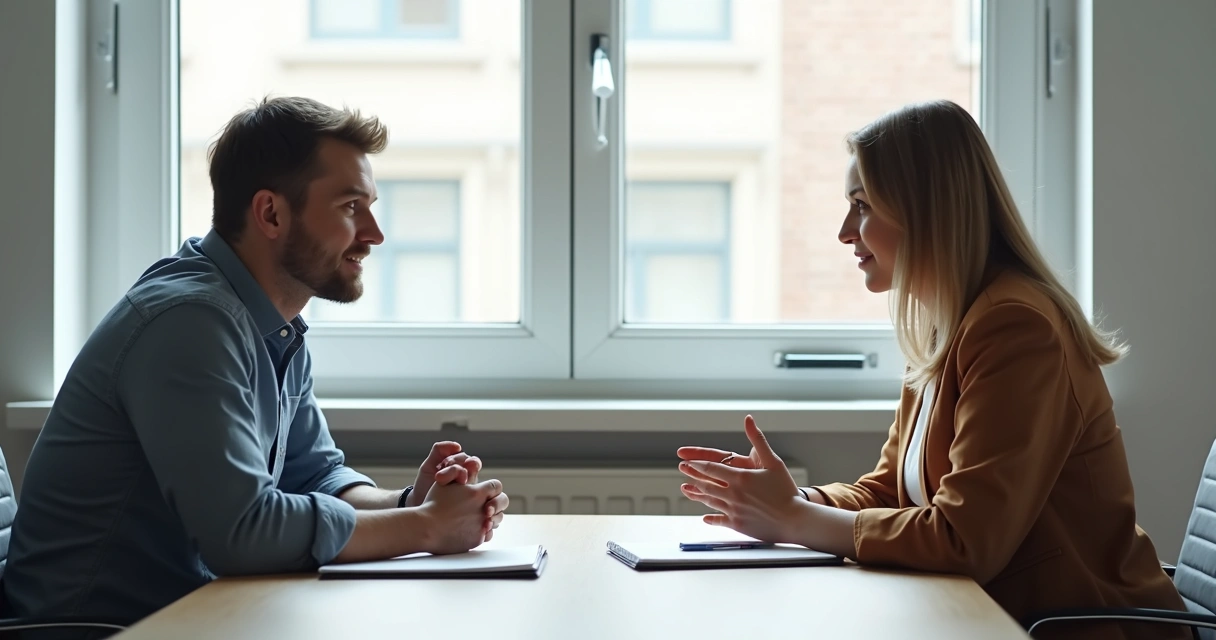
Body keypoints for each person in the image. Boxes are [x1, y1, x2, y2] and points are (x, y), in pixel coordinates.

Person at [676, 100, 1187, 639]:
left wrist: (795, 522)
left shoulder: (1016, 326)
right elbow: (888, 493)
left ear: (926, 209)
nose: (846, 232)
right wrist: (794, 500)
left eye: (862, 205)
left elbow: (965, 542)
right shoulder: (949, 324)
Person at [4, 97, 509, 632]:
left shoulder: (267, 322)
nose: (375, 234)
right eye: (350, 208)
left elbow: (315, 474)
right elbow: (245, 534)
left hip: (191, 617)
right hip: (106, 630)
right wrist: (426, 529)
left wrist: (408, 503)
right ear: (271, 213)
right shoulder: (189, 323)